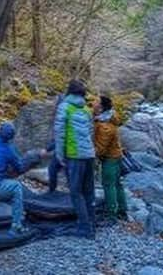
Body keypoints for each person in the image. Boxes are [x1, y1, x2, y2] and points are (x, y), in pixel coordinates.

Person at [55, 79, 96, 239]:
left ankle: (84, 228)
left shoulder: (64, 107)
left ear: (69, 91)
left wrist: (60, 155)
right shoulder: (86, 109)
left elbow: (59, 134)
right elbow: (91, 132)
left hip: (75, 156)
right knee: (89, 191)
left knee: (75, 192)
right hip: (89, 155)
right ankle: (91, 224)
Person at [94, 95, 128, 223]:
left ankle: (111, 214)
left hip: (110, 159)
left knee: (108, 185)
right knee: (117, 184)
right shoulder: (108, 119)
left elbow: (101, 147)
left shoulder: (105, 126)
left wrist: (92, 156)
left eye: (96, 102)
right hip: (116, 156)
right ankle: (122, 210)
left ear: (101, 107)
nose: (93, 103)